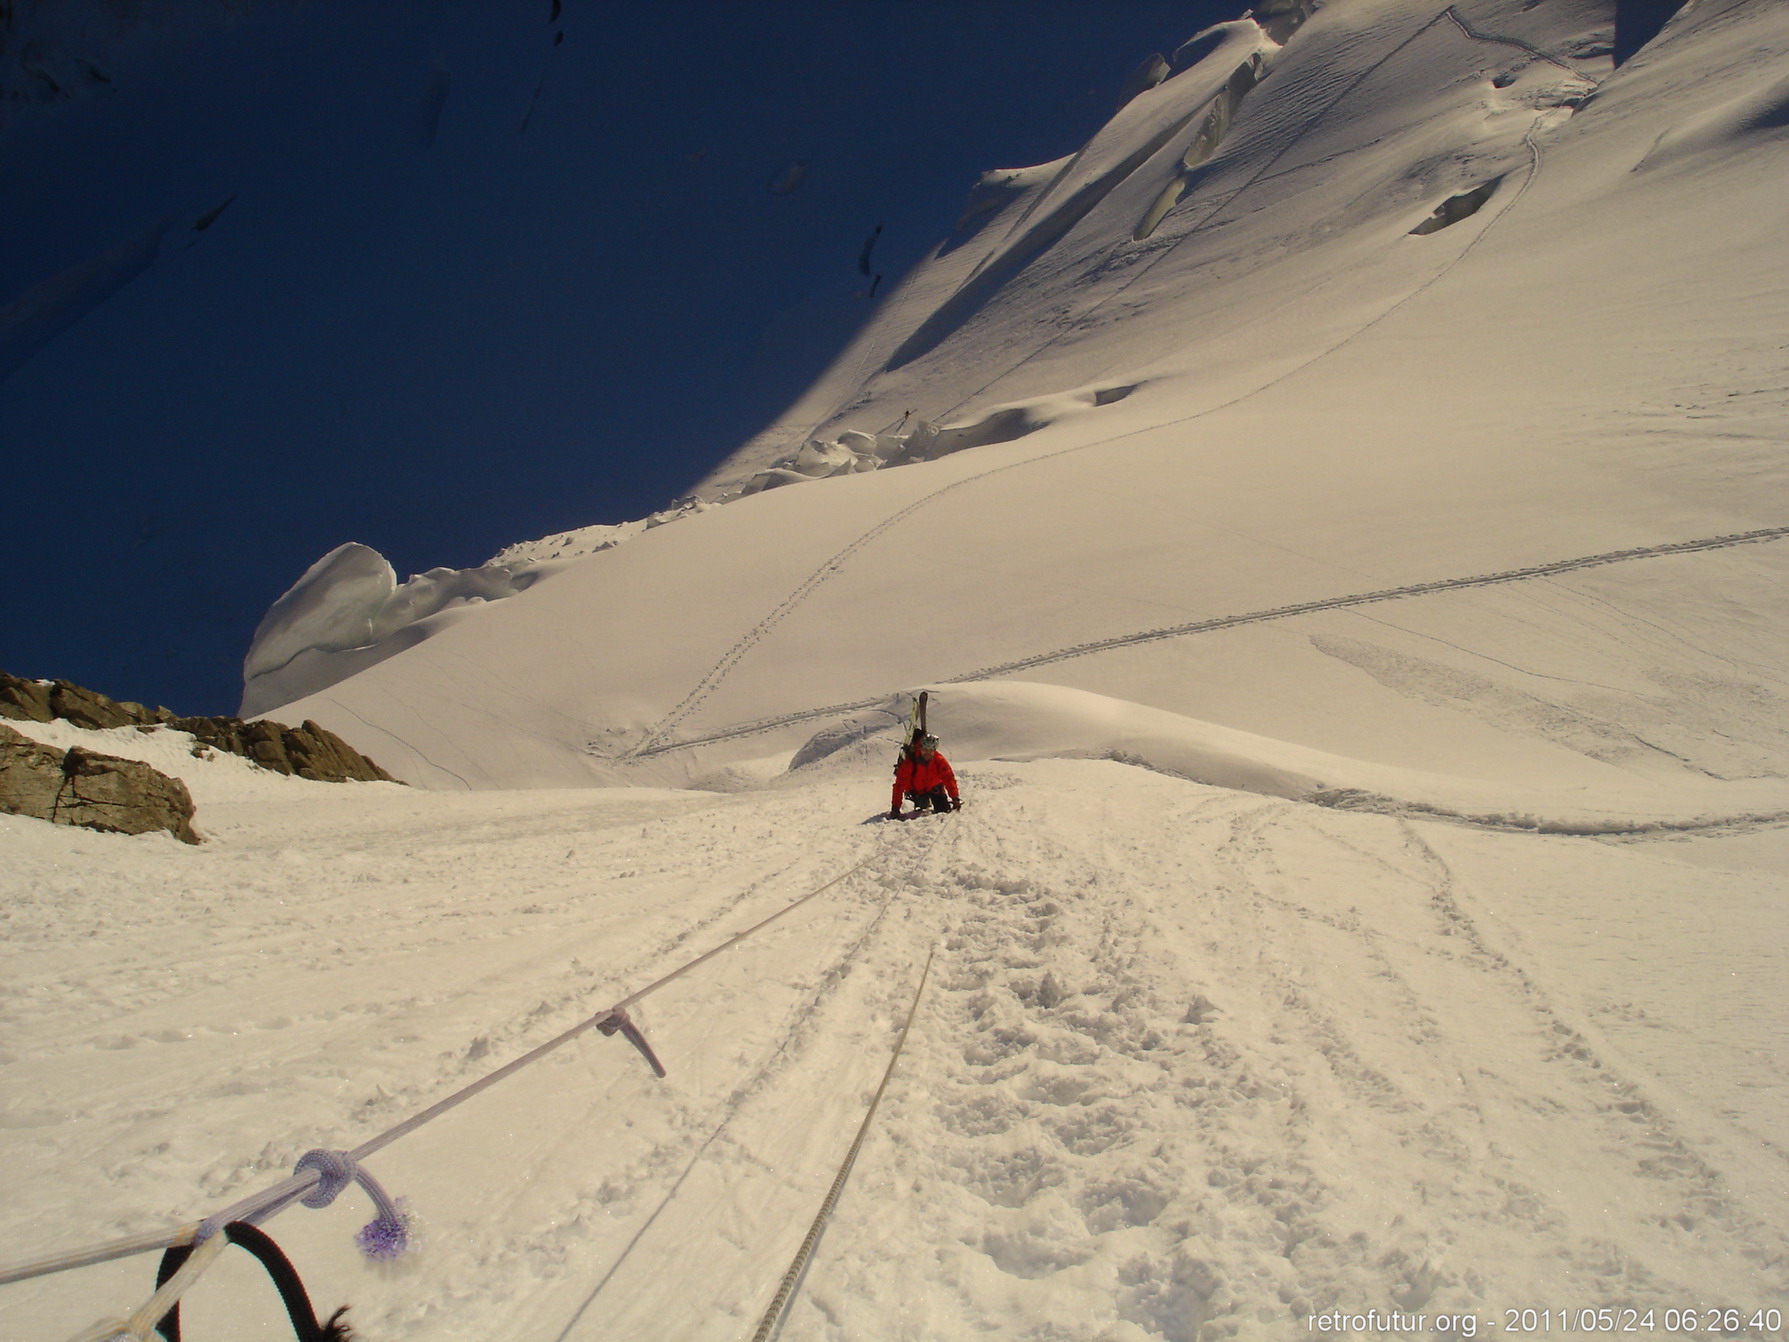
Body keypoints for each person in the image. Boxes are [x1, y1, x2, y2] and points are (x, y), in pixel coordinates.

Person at [889, 731, 960, 819]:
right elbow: (899, 784)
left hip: (934, 788)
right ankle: (922, 801)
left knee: (943, 810)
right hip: (916, 790)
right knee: (921, 808)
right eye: (925, 750)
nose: (927, 753)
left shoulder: (939, 760)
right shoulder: (910, 762)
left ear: (934, 750)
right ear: (920, 748)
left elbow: (948, 778)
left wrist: (955, 797)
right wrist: (895, 807)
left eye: (930, 751)